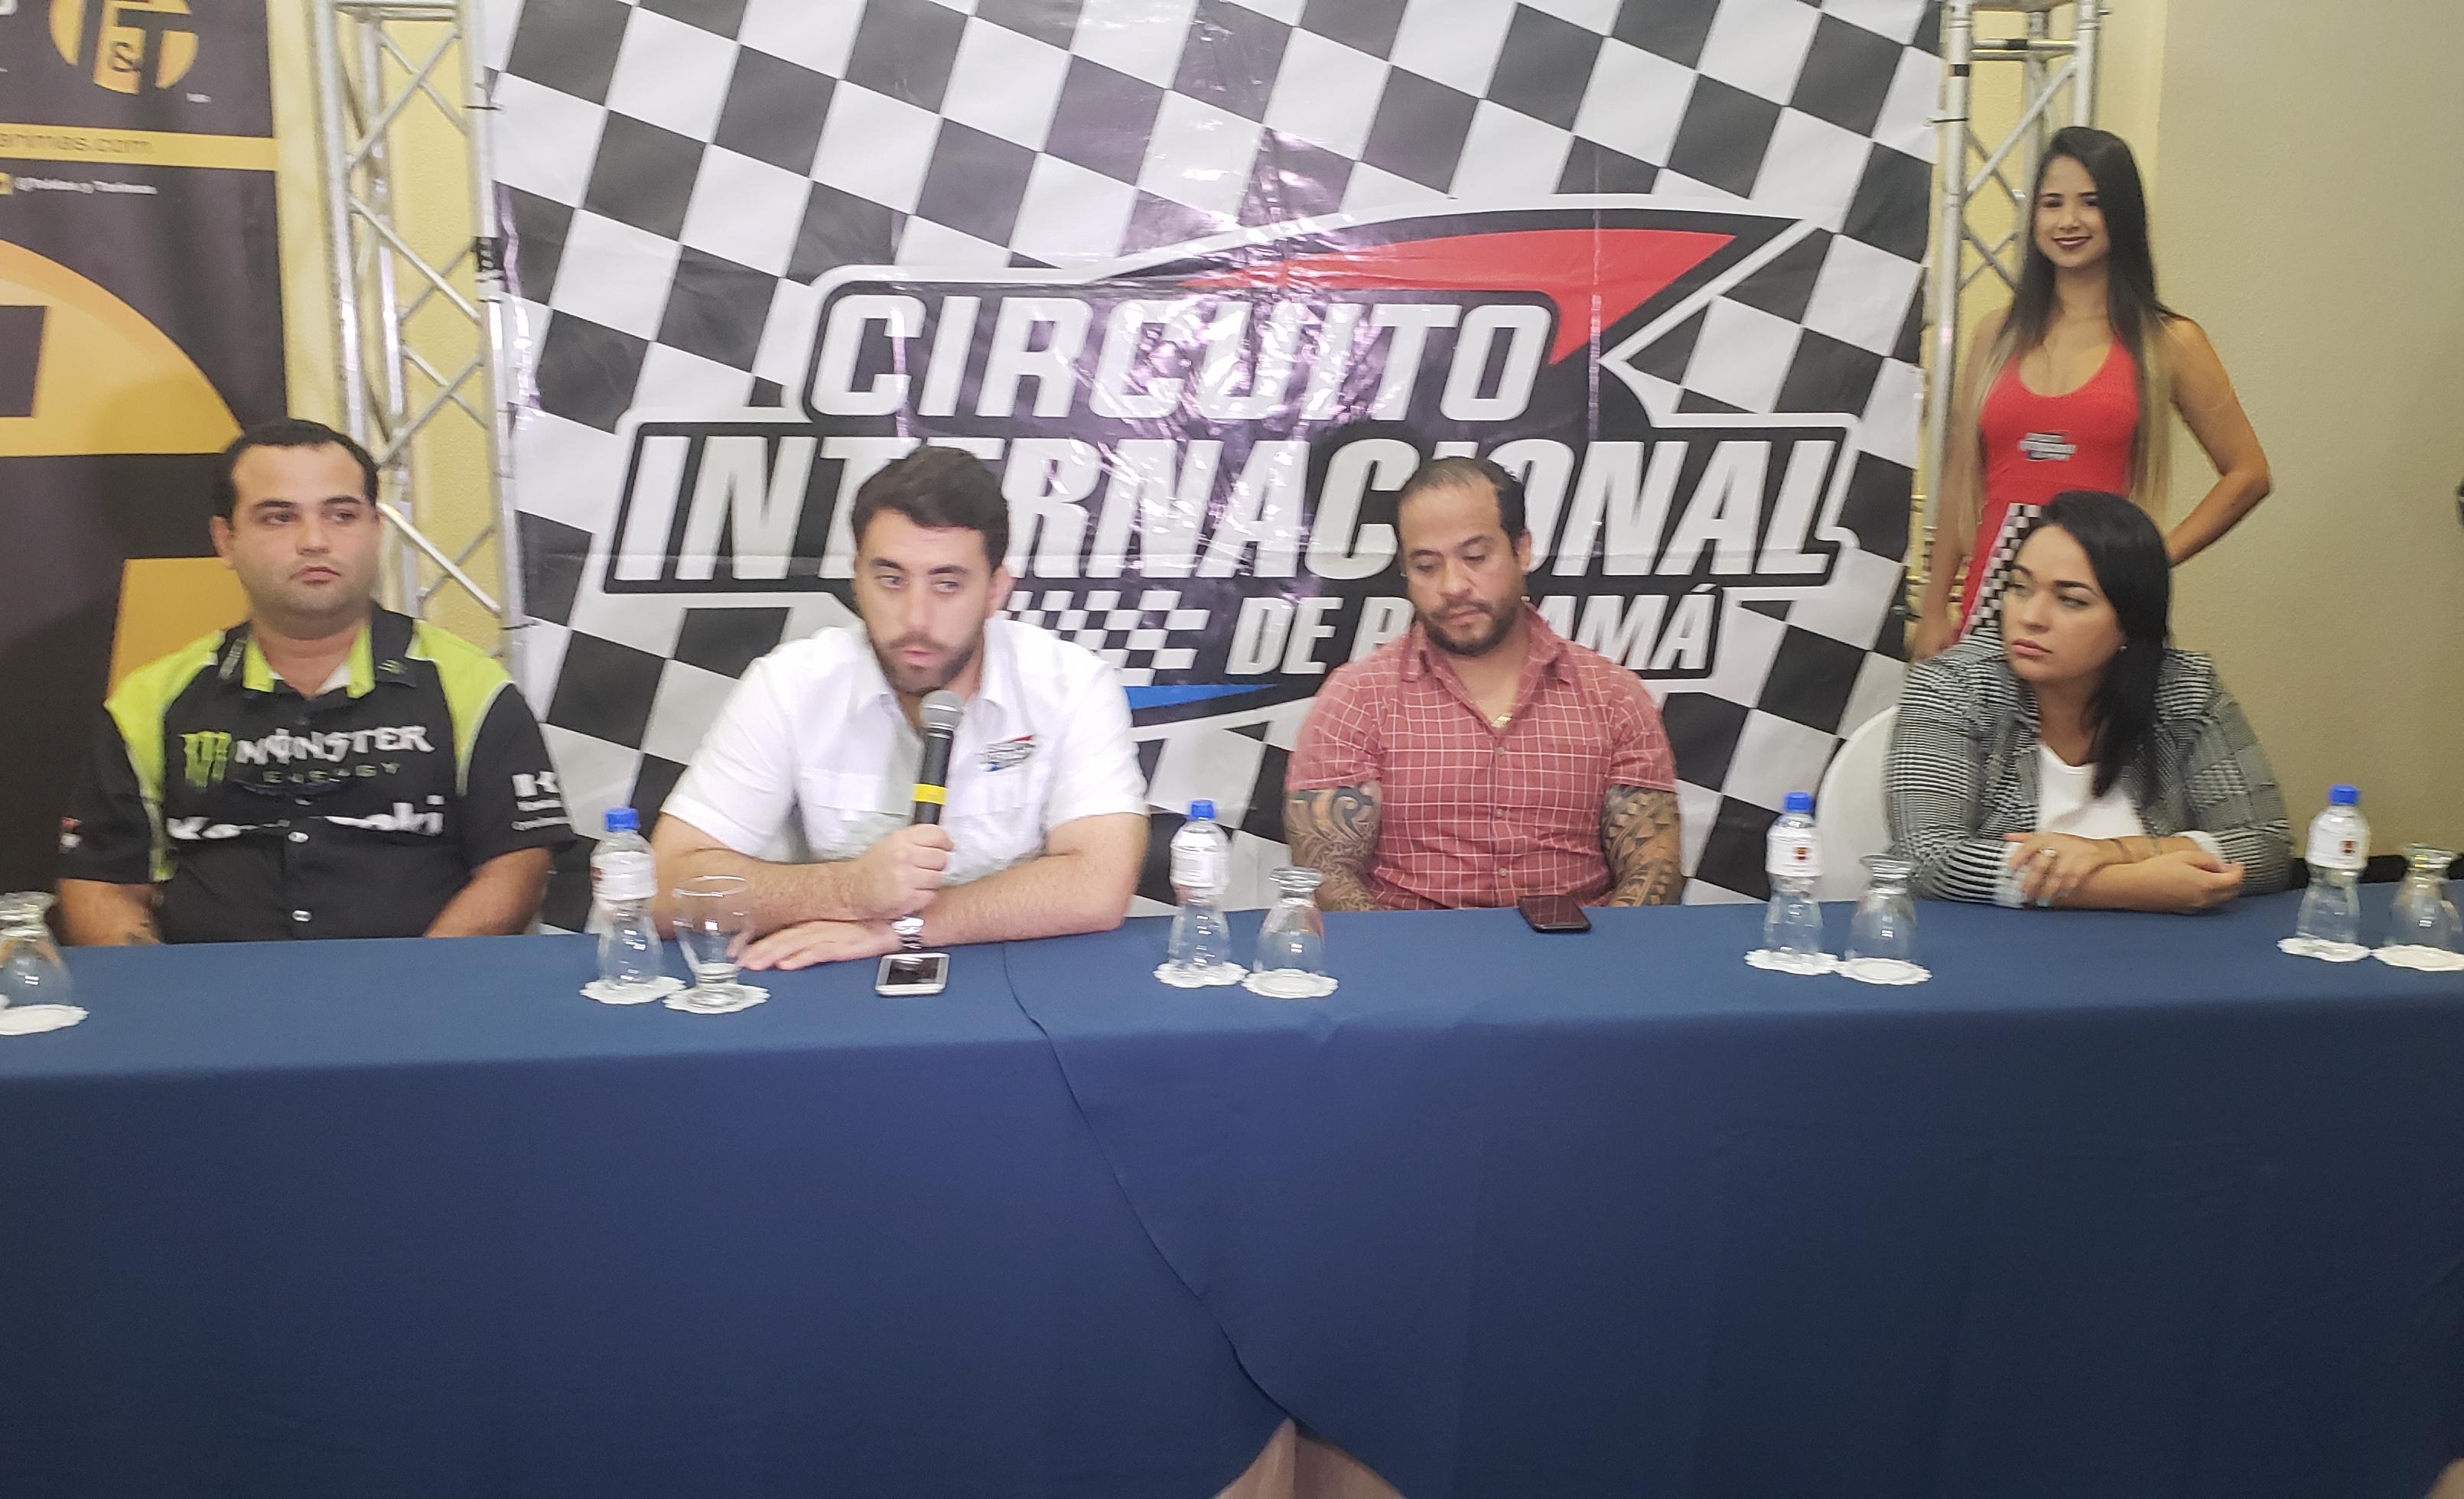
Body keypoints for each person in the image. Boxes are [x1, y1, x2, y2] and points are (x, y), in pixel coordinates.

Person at [57, 418, 571, 944]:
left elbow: (517, 868)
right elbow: (101, 884)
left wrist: (417, 980)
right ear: (226, 540)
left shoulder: (472, 688)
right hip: (208, 993)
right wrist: (164, 987)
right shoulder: (150, 701)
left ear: (376, 529)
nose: (315, 541)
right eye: (279, 518)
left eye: (341, 515)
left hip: (425, 986)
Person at [651, 445, 1146, 969]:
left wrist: (898, 929)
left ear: (995, 590)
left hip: (1019, 975)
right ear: (856, 578)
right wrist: (849, 890)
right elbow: (661, 889)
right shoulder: (790, 685)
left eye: (947, 585)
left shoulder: (1071, 685)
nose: (915, 619)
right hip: (841, 984)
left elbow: (1098, 886)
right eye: (891, 580)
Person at [1912, 126, 2270, 660]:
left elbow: (2249, 473)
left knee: (2091, 719)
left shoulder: (2167, 341)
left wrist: (2147, 562)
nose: (2068, 221)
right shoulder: (1996, 334)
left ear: (2122, 213)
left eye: (2091, 203)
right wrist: (1934, 607)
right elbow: (1961, 476)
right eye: (2052, 203)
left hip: (2097, 609)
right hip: (1991, 602)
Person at [1283, 455, 1683, 911]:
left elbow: (1654, 869)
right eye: (1426, 565)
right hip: (1409, 949)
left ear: (1522, 550)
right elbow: (1326, 873)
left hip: (1580, 946)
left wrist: (1601, 954)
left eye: (1475, 557)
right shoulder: (1357, 698)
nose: (1453, 585)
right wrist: (1396, 953)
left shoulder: (1612, 696)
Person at [1888, 489, 2290, 909]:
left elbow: (2266, 844)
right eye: (2020, 588)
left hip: (2159, 947)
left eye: (2071, 601)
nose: (2031, 618)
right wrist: (2133, 887)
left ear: (2130, 622)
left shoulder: (2184, 690)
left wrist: (2120, 851)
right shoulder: (1953, 686)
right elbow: (1926, 858)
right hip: (1993, 944)